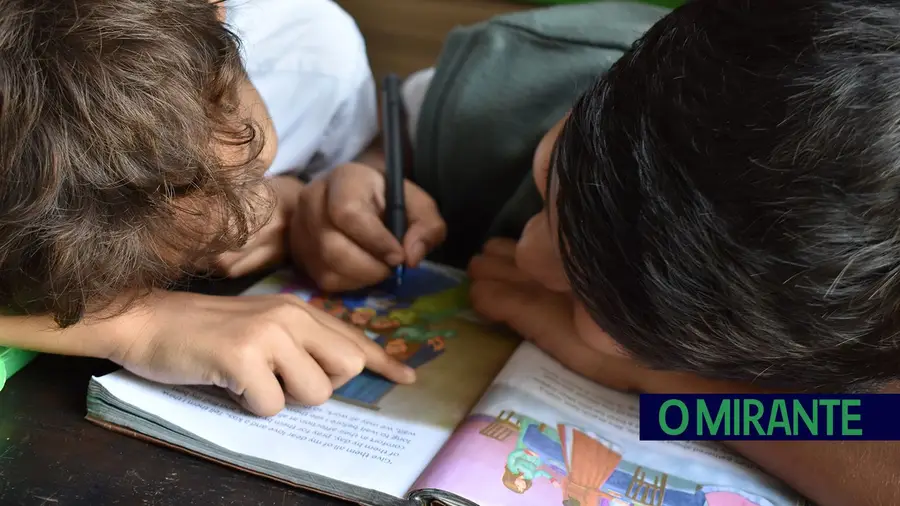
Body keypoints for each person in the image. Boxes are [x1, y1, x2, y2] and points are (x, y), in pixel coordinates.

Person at [0, 0, 450, 417]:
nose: (242, 220)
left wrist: (322, 191)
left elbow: (365, 150)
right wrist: (132, 326)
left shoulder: (313, 58)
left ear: (215, 12)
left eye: (253, 174)